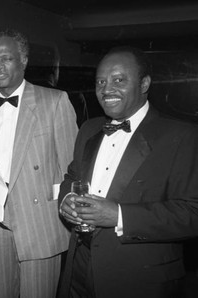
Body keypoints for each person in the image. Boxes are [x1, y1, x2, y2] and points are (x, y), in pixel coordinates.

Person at [58, 46, 198, 298]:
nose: (106, 89)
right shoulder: (89, 129)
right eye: (100, 81)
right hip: (78, 267)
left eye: (118, 80)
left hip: (140, 278)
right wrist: (66, 199)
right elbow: (71, 178)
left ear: (144, 84)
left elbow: (193, 213)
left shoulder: (182, 136)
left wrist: (119, 216)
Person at [0, 29, 78, 298]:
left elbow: (72, 169)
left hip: (37, 221)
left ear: (24, 60)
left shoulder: (54, 101)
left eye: (6, 58)